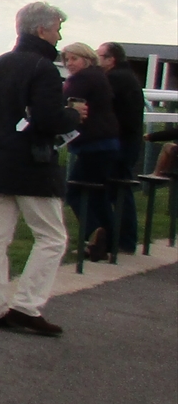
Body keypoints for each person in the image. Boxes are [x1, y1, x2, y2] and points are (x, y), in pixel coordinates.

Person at [0, 2, 83, 336]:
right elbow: (48, 119)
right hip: (33, 164)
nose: (59, 37)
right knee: (52, 238)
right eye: (57, 29)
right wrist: (73, 116)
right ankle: (26, 306)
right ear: (41, 30)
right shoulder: (43, 68)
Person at [61, 42, 119, 260]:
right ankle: (108, 244)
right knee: (98, 194)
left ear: (86, 59)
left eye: (74, 59)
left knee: (75, 192)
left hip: (93, 144)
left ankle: (94, 234)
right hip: (107, 143)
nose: (69, 63)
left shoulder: (82, 79)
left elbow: (63, 103)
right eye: (67, 59)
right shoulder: (99, 77)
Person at [98, 42, 147, 253]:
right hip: (127, 143)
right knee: (119, 191)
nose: (96, 60)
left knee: (118, 192)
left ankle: (122, 240)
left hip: (120, 144)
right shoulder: (127, 77)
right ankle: (122, 239)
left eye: (100, 56)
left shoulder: (115, 79)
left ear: (111, 59)